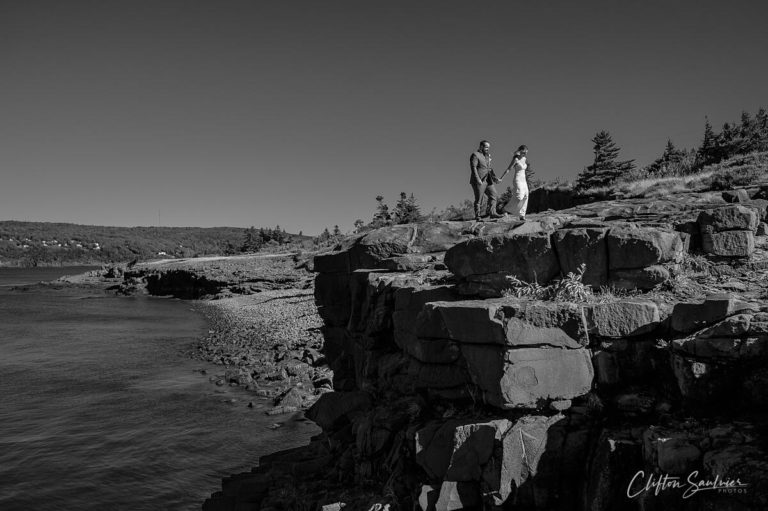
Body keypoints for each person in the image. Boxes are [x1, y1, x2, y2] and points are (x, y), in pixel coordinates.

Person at [469, 140, 501, 221]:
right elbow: (473, 168)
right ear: (481, 146)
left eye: (488, 147)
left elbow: (489, 169)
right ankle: (478, 216)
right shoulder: (475, 155)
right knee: (479, 198)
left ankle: (493, 213)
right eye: (486, 147)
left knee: (494, 194)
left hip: (488, 180)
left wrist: (495, 178)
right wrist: (478, 179)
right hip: (479, 180)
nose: (488, 149)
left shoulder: (487, 156)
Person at [501, 145, 530, 220]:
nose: (525, 154)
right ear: (520, 151)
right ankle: (505, 209)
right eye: (524, 152)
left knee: (526, 196)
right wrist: (501, 178)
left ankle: (522, 215)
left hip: (524, 180)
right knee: (519, 195)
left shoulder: (525, 159)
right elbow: (508, 169)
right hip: (517, 179)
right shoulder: (516, 159)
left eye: (526, 153)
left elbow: (524, 169)